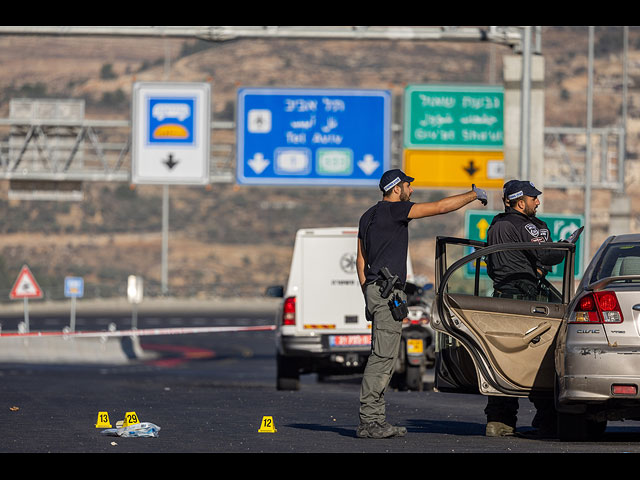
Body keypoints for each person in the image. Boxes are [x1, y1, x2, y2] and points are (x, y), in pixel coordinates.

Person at [355, 168, 487, 439]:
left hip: (375, 290)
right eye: (407, 186)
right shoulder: (396, 211)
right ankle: (369, 421)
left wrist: (367, 292)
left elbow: (360, 260)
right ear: (396, 189)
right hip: (386, 293)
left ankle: (375, 420)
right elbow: (439, 207)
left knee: (384, 355)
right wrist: (473, 194)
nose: (411, 190)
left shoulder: (367, 216)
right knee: (382, 357)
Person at [483, 179, 565, 438]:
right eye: (533, 199)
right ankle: (548, 418)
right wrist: (563, 247)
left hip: (502, 299)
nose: (537, 202)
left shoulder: (497, 224)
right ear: (520, 202)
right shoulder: (527, 226)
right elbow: (546, 256)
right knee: (542, 356)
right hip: (527, 301)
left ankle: (499, 420)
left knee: (502, 358)